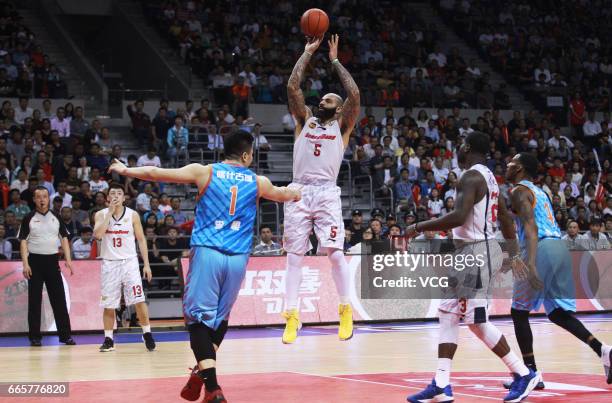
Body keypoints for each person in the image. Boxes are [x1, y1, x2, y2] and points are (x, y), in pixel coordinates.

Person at [108, 130, 301, 402]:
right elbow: (284, 194)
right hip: (238, 258)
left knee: (199, 320)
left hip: (208, 253)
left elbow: (155, 172)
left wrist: (125, 169)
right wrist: (298, 194)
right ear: (247, 155)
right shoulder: (258, 181)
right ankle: (201, 374)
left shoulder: (205, 172)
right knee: (219, 319)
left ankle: (213, 388)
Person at [405, 132, 538, 403]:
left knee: (477, 323)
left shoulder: (470, 177)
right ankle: (441, 383)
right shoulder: (489, 178)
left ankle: (523, 373)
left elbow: (459, 216)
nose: (458, 148)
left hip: (475, 252)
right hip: (472, 251)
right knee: (448, 314)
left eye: (460, 144)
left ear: (466, 147)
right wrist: (512, 253)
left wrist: (418, 226)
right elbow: (504, 217)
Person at [504, 152, 611, 389]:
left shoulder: (518, 191)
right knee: (556, 313)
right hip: (559, 247)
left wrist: (530, 263)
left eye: (511, 163)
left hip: (539, 248)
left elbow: (531, 227)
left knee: (518, 312)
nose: (507, 165)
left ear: (520, 169)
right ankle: (603, 350)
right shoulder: (541, 191)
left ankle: (529, 373)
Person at [281, 34, 360, 344]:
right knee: (293, 258)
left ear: (339, 110)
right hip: (299, 191)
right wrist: (307, 53)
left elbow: (353, 93)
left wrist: (336, 61)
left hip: (326, 192)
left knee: (335, 255)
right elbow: (292, 87)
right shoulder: (305, 120)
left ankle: (345, 308)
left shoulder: (342, 126)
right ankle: (292, 315)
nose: (322, 101)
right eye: (323, 98)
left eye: (329, 99)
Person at [93, 183, 155, 352]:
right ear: (107, 198)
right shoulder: (100, 214)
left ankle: (147, 333)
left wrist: (147, 265)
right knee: (109, 303)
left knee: (139, 299)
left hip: (130, 263)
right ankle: (108, 339)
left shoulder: (133, 215)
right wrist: (109, 214)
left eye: (119, 193)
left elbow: (141, 240)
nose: (116, 196)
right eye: (112, 193)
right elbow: (98, 235)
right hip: (110, 263)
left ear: (124, 197)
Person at [18, 186, 76, 346]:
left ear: (48, 198)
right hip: (34, 263)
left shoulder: (56, 216)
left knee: (59, 300)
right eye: (39, 197)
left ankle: (65, 336)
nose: (42, 199)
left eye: (45, 196)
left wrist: (68, 260)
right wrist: (25, 264)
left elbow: (64, 238)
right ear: (34, 200)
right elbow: (23, 241)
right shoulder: (28, 217)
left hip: (52, 262)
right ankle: (35, 337)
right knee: (34, 301)